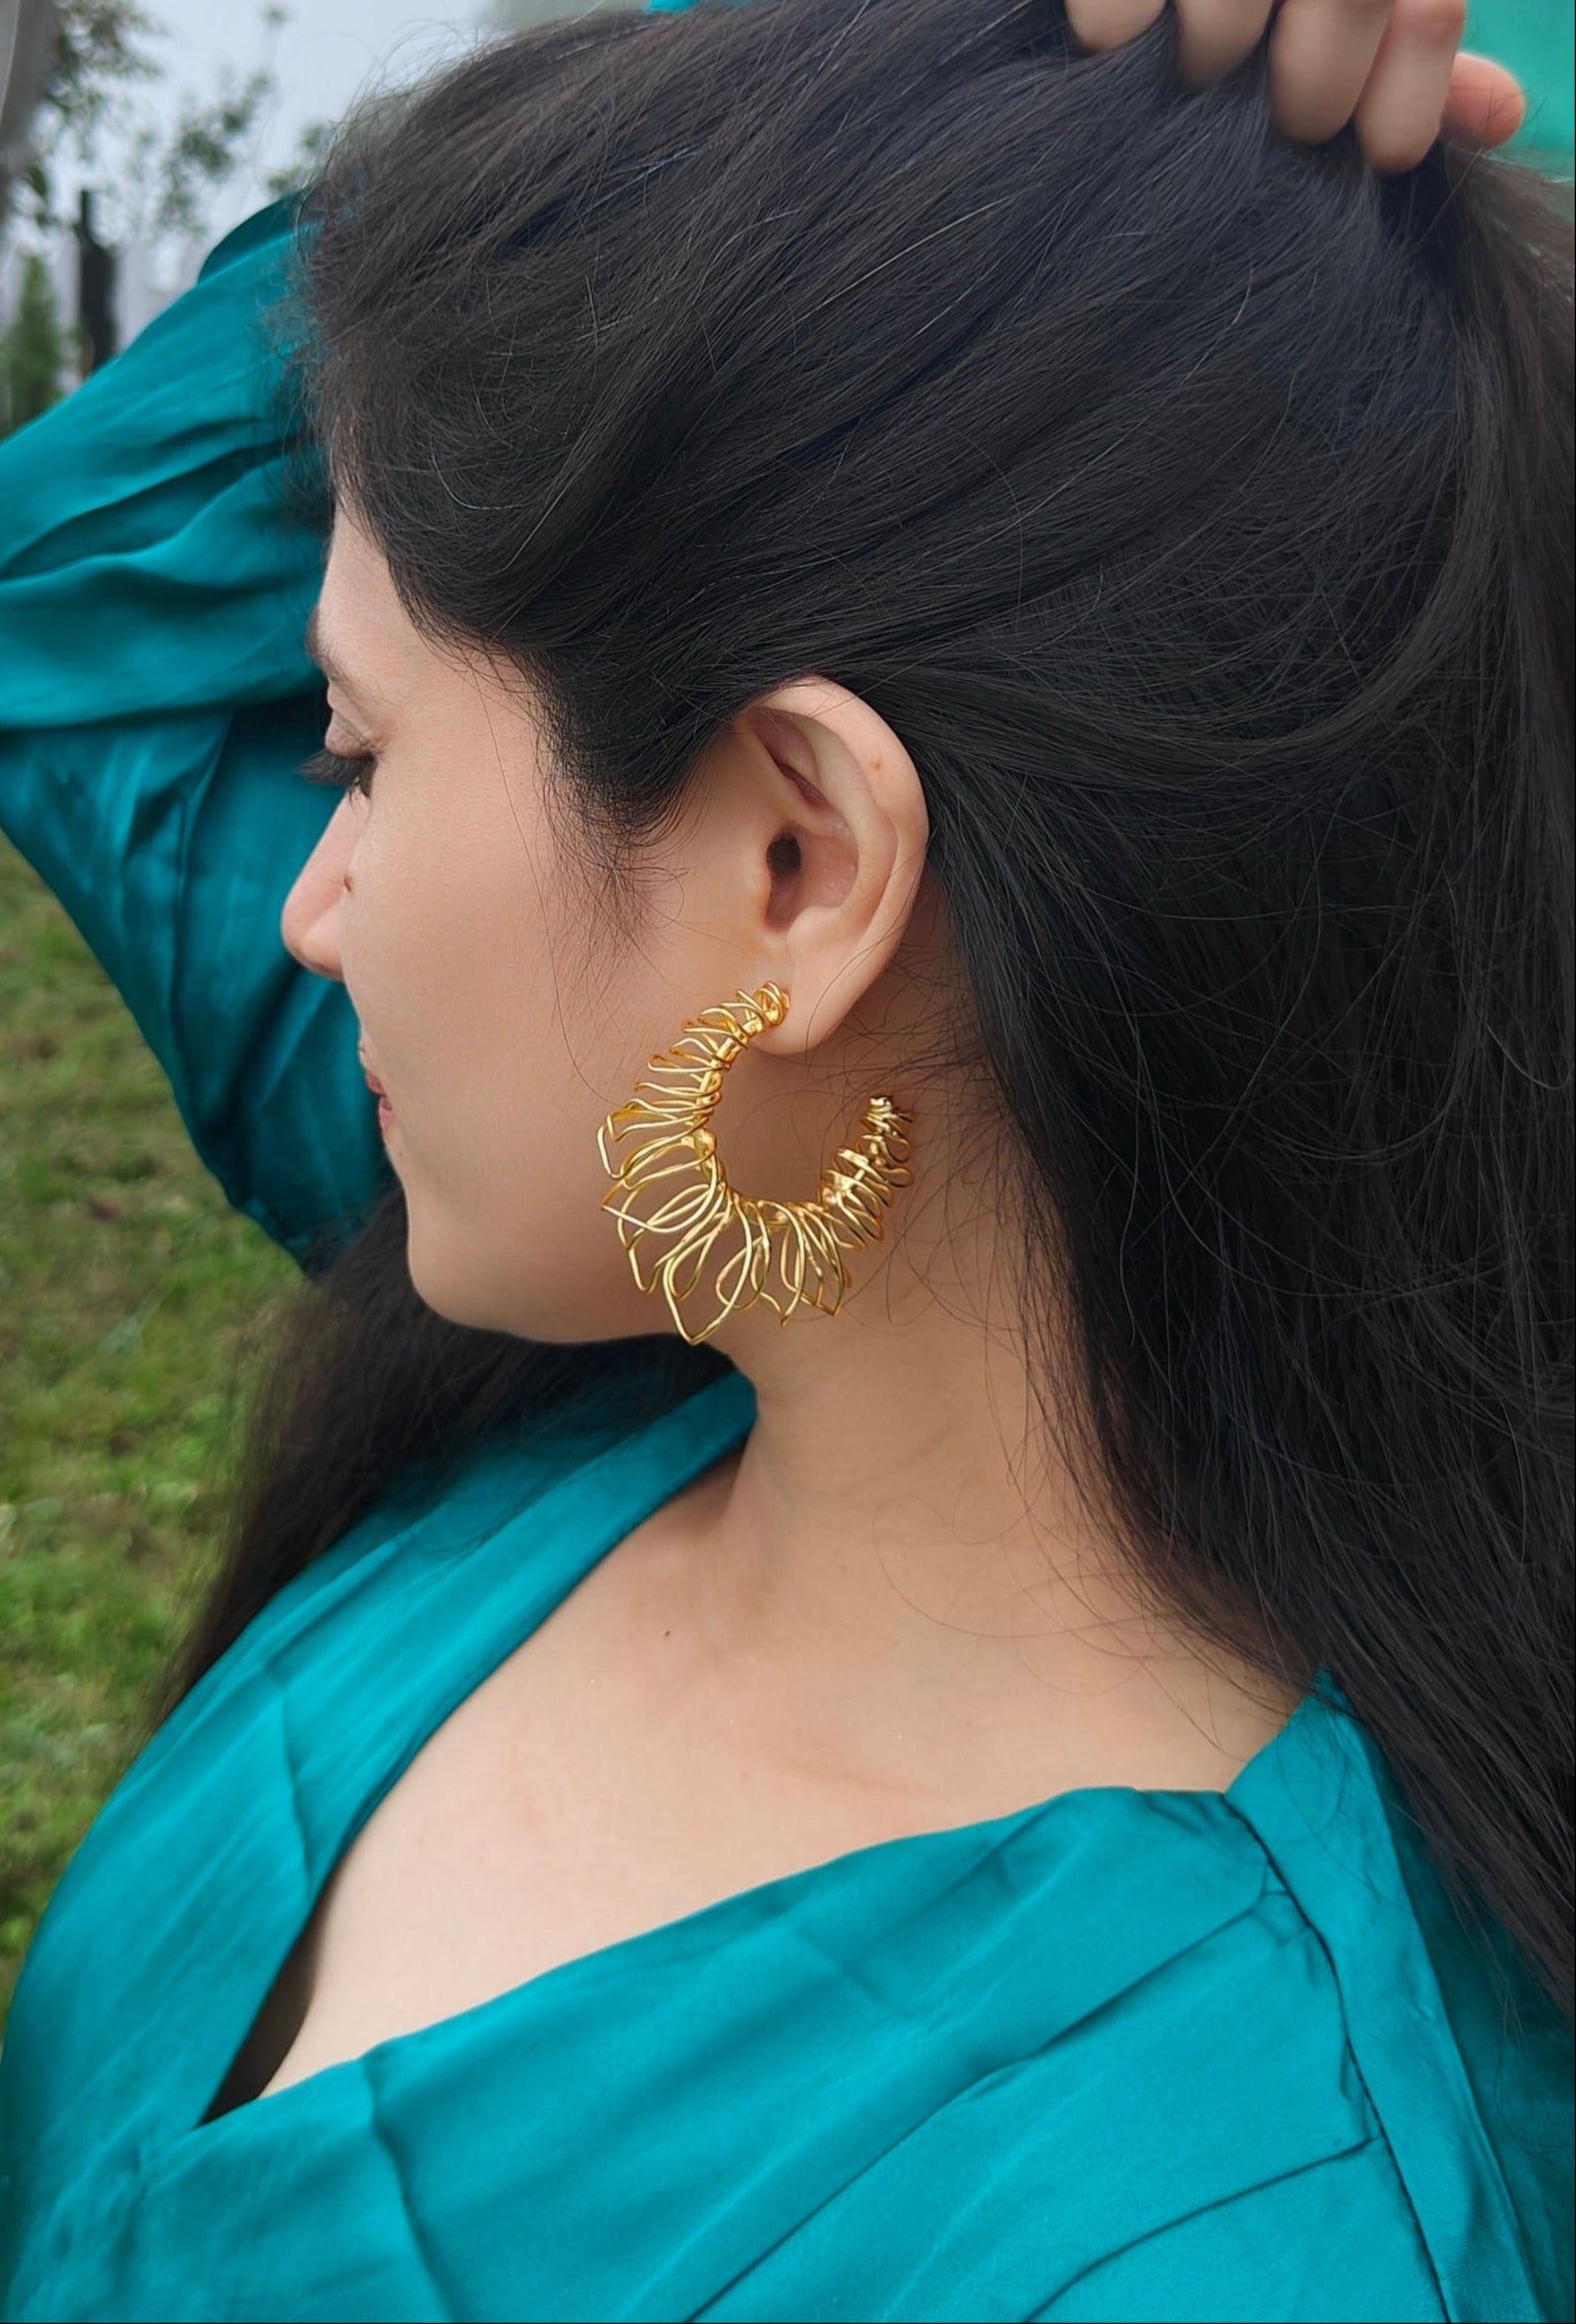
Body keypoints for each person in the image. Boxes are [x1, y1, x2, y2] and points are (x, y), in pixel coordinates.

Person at [0, 1, 1570, 2317]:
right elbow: (80, 595)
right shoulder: (639, 1321)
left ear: (792, 868)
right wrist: (868, 64)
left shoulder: (1234, 2237)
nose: (309, 906)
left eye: (350, 752)